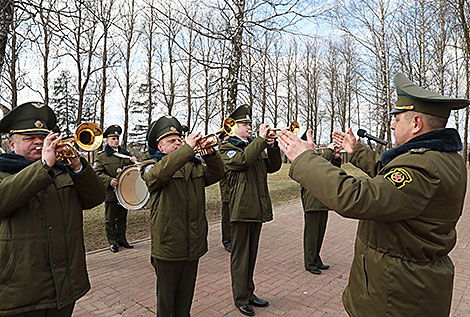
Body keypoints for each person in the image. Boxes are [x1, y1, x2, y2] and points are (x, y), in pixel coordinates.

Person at [277, 73, 469, 316]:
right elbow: (393, 183)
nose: (391, 124)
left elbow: (357, 198)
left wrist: (305, 158)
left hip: (395, 295)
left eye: (397, 118)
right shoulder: (445, 158)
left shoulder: (424, 166)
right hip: (410, 287)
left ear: (416, 123)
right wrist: (357, 151)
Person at [0, 102, 105, 316]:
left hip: (64, 288)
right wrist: (43, 167)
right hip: (20, 294)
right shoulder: (3, 171)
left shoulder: (62, 170)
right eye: (30, 138)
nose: (39, 143)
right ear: (11, 144)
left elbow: (95, 198)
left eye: (43, 137)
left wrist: (77, 165)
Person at [140, 115, 224, 316]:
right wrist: (187, 148)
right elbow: (155, 177)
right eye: (172, 141)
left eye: (180, 140)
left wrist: (210, 153)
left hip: (193, 243)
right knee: (167, 304)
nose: (178, 143)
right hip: (168, 245)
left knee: (185, 302)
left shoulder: (193, 165)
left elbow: (217, 174)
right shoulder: (150, 164)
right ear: (160, 147)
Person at [219, 105, 282, 316]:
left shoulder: (253, 145)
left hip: (256, 208)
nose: (248, 127)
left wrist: (272, 145)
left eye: (249, 124)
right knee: (240, 256)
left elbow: (273, 167)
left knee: (251, 254)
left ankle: (249, 292)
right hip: (240, 209)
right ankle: (240, 297)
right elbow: (242, 161)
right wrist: (261, 141)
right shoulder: (228, 147)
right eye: (244, 124)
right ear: (233, 127)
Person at [94, 125, 138, 253]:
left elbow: (132, 172)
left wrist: (134, 162)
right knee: (110, 219)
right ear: (107, 140)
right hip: (110, 193)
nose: (116, 141)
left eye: (117, 138)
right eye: (113, 138)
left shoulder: (125, 154)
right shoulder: (102, 156)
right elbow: (97, 173)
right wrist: (109, 180)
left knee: (122, 218)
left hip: (124, 193)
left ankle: (122, 240)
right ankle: (112, 242)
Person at [301, 141, 341, 275]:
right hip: (312, 203)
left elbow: (331, 172)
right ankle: (309, 262)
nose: (314, 146)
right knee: (311, 235)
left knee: (319, 234)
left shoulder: (317, 159)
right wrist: (329, 151)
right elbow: (317, 168)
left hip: (322, 201)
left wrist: (335, 159)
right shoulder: (305, 159)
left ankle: (316, 259)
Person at [218, 131, 232, 252]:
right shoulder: (222, 152)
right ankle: (227, 241)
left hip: (236, 190)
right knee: (227, 218)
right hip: (227, 189)